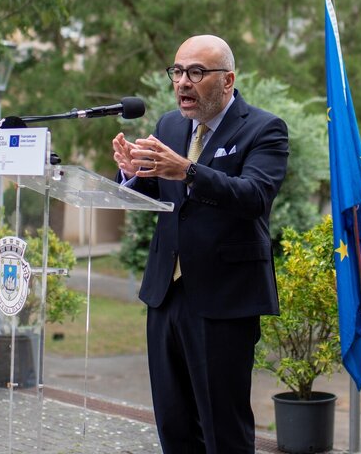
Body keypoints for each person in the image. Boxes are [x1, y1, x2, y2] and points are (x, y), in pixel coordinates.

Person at [112, 34, 289, 453]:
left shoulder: (264, 128)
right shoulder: (169, 126)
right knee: (173, 424)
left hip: (224, 300)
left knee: (222, 430)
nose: (182, 82)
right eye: (177, 72)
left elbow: (254, 196)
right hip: (166, 294)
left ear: (227, 80)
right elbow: (160, 191)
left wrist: (189, 171)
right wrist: (132, 174)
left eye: (196, 72)